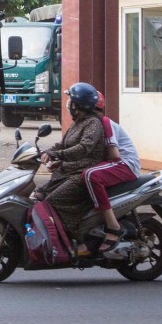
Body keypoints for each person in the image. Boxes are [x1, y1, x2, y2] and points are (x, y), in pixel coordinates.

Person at [35, 82, 107, 241]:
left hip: (80, 175)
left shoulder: (92, 124)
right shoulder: (77, 123)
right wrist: (45, 152)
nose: (68, 104)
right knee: (38, 195)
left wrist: (57, 155)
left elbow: (83, 148)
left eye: (71, 101)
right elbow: (62, 144)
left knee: (52, 201)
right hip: (67, 171)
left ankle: (75, 237)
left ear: (78, 105)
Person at [83, 92, 141, 257]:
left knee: (90, 175)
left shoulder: (104, 123)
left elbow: (114, 154)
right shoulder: (85, 126)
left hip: (126, 164)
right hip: (115, 164)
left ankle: (112, 226)